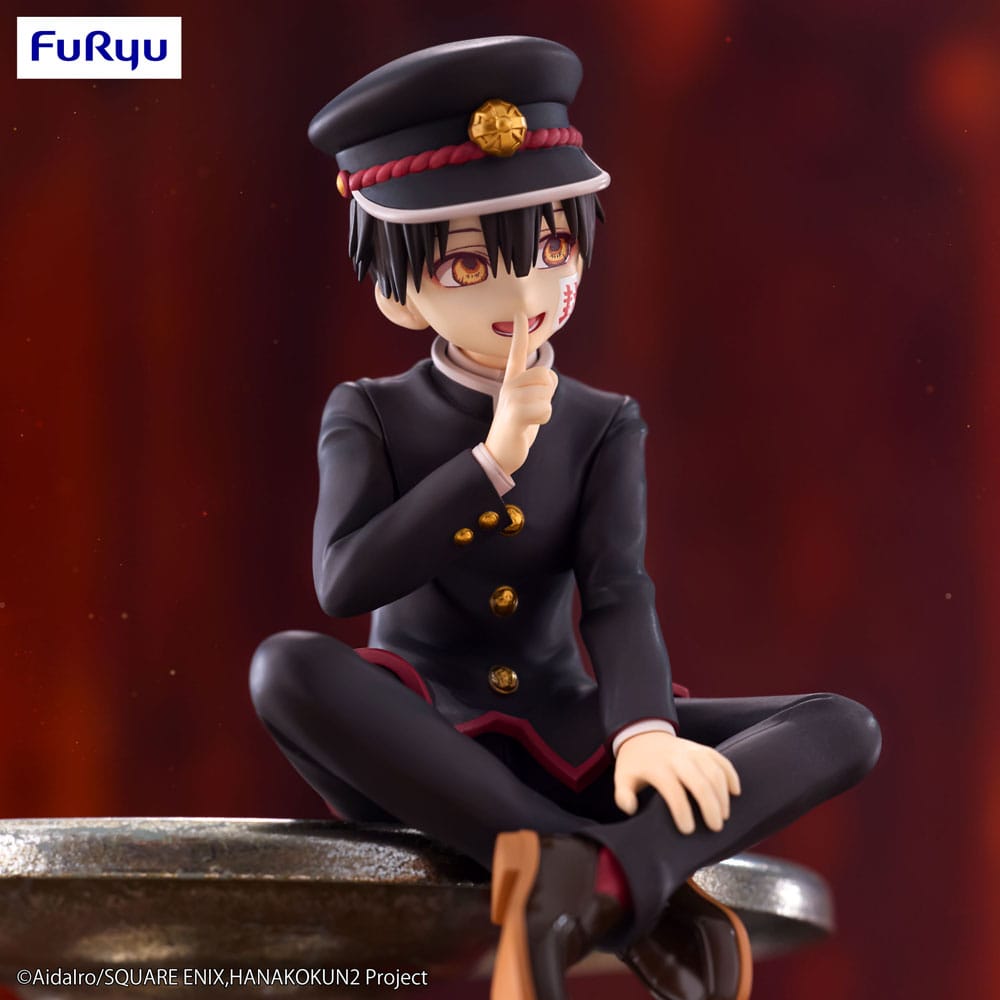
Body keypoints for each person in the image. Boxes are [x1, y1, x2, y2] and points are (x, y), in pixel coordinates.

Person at [249, 36, 881, 1000]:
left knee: (840, 726)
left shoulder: (601, 422)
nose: (529, 292)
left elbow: (618, 592)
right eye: (473, 263)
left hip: (574, 732)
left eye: (553, 248)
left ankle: (600, 879)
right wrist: (488, 465)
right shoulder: (369, 413)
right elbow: (345, 580)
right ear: (395, 289)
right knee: (286, 669)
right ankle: (609, 875)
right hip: (422, 741)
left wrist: (644, 731)